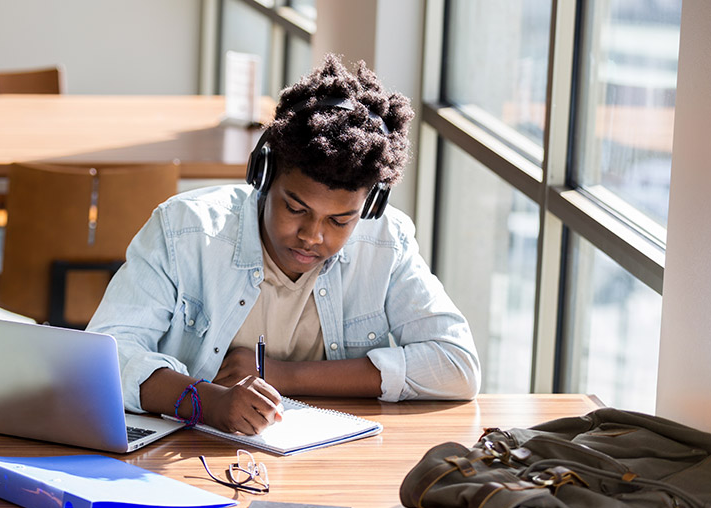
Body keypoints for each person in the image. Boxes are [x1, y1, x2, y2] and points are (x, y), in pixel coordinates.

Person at [86, 55, 480, 435]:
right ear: (263, 175)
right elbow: (106, 356)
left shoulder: (385, 242)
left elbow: (456, 365)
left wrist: (284, 375)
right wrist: (208, 403)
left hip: (326, 461)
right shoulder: (184, 229)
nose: (312, 235)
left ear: (370, 206)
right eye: (295, 208)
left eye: (340, 220)